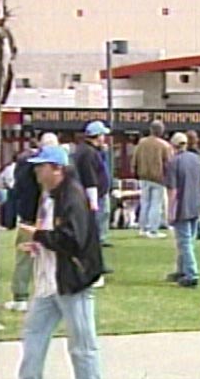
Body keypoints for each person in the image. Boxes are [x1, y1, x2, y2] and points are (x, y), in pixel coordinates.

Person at [17, 145, 103, 379]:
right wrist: (39, 245)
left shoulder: (73, 197)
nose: (37, 173)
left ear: (57, 169)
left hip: (72, 282)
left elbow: (73, 239)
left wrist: (38, 235)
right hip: (49, 281)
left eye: (41, 167)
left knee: (82, 346)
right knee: (33, 333)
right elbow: (55, 235)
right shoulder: (50, 198)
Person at [4, 133, 59, 312]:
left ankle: (21, 296)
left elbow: (18, 190)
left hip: (32, 216)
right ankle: (41, 294)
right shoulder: (57, 168)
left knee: (25, 257)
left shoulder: (25, 164)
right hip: (46, 216)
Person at [74, 120, 114, 285]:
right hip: (94, 197)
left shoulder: (88, 151)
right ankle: (94, 267)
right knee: (93, 236)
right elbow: (90, 179)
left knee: (94, 234)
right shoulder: (89, 154)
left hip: (96, 196)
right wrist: (93, 202)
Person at [164, 132, 200, 288]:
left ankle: (191, 273)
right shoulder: (196, 159)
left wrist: (170, 211)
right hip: (195, 204)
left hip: (182, 206)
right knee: (188, 241)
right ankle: (181, 269)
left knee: (184, 241)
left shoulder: (174, 162)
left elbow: (172, 190)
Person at [131, 120, 173, 238]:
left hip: (143, 176)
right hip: (158, 178)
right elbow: (168, 163)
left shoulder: (141, 143)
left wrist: (136, 172)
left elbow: (135, 159)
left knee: (145, 203)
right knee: (156, 204)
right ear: (161, 131)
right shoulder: (165, 145)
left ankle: (143, 229)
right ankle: (153, 230)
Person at [186, 130, 200, 240]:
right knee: (196, 209)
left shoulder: (183, 154)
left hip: (188, 184)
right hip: (196, 184)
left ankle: (197, 230)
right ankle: (199, 230)